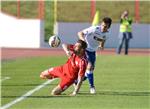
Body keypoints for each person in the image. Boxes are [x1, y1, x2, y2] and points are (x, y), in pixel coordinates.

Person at [78, 17, 112, 94]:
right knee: (89, 67)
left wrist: (102, 45)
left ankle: (76, 81)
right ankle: (92, 87)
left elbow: (103, 40)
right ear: (101, 24)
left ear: (109, 27)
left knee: (89, 72)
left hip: (93, 52)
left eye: (105, 26)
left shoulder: (107, 34)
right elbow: (80, 33)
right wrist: (83, 41)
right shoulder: (94, 29)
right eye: (103, 25)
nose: (103, 27)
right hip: (85, 50)